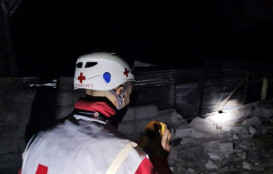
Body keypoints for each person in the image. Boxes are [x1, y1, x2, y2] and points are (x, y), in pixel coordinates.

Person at [20, 52, 172, 174]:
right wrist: (158, 158)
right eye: (129, 92)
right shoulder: (125, 156)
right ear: (120, 92)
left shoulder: (38, 139)